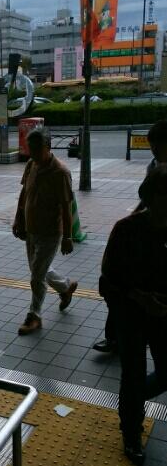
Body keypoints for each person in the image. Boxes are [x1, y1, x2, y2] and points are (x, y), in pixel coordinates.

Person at [101, 165, 167, 465]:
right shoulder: (126, 230)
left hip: (164, 316)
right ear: (150, 197)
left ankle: (134, 399)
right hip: (131, 317)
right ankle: (131, 433)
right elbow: (107, 282)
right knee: (133, 372)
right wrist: (140, 297)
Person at [93, 119, 167, 353]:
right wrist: (135, 217)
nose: (154, 151)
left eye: (158, 146)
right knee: (126, 288)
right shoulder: (154, 166)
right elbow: (110, 279)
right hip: (145, 240)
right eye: (152, 147)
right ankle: (114, 338)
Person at [12, 127, 78, 334]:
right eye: (29, 148)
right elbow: (25, 192)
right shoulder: (31, 164)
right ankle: (65, 287)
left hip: (50, 232)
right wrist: (18, 219)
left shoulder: (60, 173)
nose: (31, 153)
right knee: (37, 270)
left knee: (36, 277)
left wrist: (67, 237)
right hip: (31, 228)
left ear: (48, 147)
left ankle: (35, 316)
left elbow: (66, 208)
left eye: (36, 149)